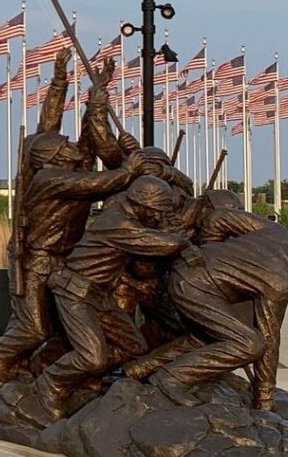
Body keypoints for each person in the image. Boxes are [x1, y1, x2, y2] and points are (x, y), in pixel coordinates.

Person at [0, 50, 152, 386]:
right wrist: (131, 168)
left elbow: (72, 132)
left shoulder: (65, 166)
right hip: (37, 261)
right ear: (56, 157)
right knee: (34, 327)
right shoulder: (51, 179)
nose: (73, 145)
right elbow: (99, 183)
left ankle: (49, 371)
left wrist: (91, 96)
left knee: (65, 326)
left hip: (63, 262)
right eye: (64, 145)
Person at [29, 175, 195, 421]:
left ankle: (86, 381)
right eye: (155, 211)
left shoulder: (128, 220)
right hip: (75, 292)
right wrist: (182, 238)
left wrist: (173, 235)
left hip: (99, 296)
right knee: (92, 358)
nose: (157, 217)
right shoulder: (118, 223)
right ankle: (48, 386)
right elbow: (159, 244)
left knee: (134, 346)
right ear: (141, 205)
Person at [152, 230, 288, 410]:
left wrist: (206, 251)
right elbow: (269, 339)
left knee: (217, 335)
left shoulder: (277, 232)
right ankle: (171, 377)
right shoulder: (280, 283)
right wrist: (265, 400)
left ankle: (138, 368)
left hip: (190, 275)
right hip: (194, 286)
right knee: (250, 344)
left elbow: (221, 218)